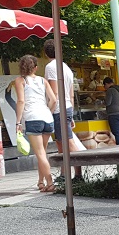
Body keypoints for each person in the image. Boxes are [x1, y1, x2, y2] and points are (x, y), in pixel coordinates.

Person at [14, 55, 58, 192]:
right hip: (47, 118)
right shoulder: (43, 80)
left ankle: (50, 183)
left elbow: (21, 101)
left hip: (33, 118)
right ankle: (40, 182)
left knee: (39, 153)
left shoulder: (20, 81)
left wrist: (18, 122)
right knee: (43, 152)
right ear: (36, 68)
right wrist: (48, 112)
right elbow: (54, 100)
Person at [43, 39, 81, 179]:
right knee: (61, 142)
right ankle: (65, 173)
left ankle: (78, 173)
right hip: (67, 107)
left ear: (45, 52)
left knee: (68, 142)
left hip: (59, 108)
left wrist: (49, 111)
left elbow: (54, 92)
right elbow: (70, 94)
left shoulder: (51, 67)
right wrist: (71, 113)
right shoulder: (66, 67)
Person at [103, 77, 119, 144]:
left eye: (104, 86)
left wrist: (103, 100)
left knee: (116, 132)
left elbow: (108, 102)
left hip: (113, 114)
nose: (105, 88)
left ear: (106, 84)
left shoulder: (110, 90)